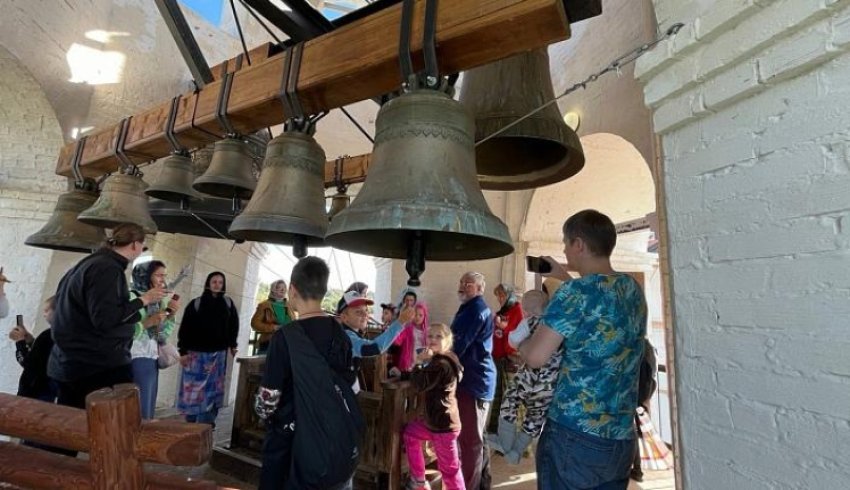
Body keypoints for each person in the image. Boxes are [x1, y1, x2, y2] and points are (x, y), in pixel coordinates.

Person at [520, 209, 647, 490]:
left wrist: (524, 333)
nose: (565, 250)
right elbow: (597, 303)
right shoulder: (631, 288)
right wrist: (565, 277)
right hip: (620, 437)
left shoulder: (573, 294)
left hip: (574, 433)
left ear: (578, 244)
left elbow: (536, 356)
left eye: (566, 243)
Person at [255, 256, 357, 490]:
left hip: (290, 444)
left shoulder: (285, 336)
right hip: (332, 441)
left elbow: (267, 402)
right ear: (324, 290)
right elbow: (350, 385)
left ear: (292, 289)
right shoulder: (340, 334)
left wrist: (263, 413)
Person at [48, 223, 167, 411]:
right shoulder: (107, 269)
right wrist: (144, 300)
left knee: (73, 424)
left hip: (72, 362)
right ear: (135, 245)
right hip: (93, 368)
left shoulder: (90, 263)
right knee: (100, 427)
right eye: (142, 247)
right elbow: (106, 319)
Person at [488, 290, 561, 464]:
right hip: (548, 385)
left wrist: (519, 339)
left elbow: (513, 341)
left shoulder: (529, 322)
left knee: (510, 401)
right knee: (535, 418)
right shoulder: (557, 326)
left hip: (528, 378)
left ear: (526, 310)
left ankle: (505, 443)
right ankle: (517, 452)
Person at [403, 323, 465, 490]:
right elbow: (426, 377)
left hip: (443, 426)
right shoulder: (448, 357)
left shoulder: (441, 364)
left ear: (447, 340)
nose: (433, 340)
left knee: (450, 472)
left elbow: (419, 384)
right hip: (436, 421)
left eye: (438, 336)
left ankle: (419, 481)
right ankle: (419, 481)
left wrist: (418, 362)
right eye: (430, 336)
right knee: (410, 433)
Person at [451, 271, 496, 490]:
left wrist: (437, 355)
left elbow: (458, 345)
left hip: (475, 382)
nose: (462, 286)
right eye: (461, 282)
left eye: (468, 284)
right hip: (474, 380)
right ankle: (480, 484)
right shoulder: (471, 308)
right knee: (476, 438)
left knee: (471, 442)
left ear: (479, 289)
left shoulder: (476, 310)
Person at [177, 271, 239, 427]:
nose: (217, 285)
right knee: (193, 391)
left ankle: (207, 424)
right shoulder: (196, 303)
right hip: (196, 355)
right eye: (214, 281)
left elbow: (233, 326)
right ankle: (191, 423)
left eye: (220, 282)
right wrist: (182, 351)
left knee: (213, 391)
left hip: (218, 356)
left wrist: (233, 345)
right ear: (208, 283)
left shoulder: (228, 303)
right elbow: (185, 328)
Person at [129, 260, 181, 419]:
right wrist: (147, 323)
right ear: (145, 276)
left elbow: (163, 331)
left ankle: (143, 439)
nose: (163, 281)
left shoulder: (160, 300)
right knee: (136, 404)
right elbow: (122, 329)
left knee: (148, 404)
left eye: (164, 276)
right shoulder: (131, 297)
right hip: (134, 355)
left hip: (152, 356)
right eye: (158, 275)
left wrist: (170, 314)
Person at [337, 290, 413, 390]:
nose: (365, 314)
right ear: (344, 317)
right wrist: (400, 322)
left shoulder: (347, 333)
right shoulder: (347, 337)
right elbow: (375, 347)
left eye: (366, 310)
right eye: (358, 312)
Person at [487, 283, 523, 433]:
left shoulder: (517, 310)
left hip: (511, 361)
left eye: (503, 295)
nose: (500, 298)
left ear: (510, 296)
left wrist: (503, 327)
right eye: (498, 296)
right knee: (497, 397)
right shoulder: (501, 312)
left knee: (510, 400)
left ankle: (510, 436)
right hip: (497, 359)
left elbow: (518, 334)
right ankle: (495, 431)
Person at [10, 296, 58, 403]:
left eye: (46, 310)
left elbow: (28, 364)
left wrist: (20, 342)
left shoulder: (48, 335)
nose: (43, 314)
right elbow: (43, 355)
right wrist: (31, 341)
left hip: (34, 391)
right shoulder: (61, 335)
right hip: (49, 392)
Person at [251, 279, 294, 355]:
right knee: (265, 366)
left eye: (284, 287)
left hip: (286, 344)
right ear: (273, 289)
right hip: (268, 344)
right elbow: (254, 323)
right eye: (279, 287)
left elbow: (293, 322)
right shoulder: (264, 305)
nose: (283, 289)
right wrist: (273, 327)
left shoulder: (289, 305)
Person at [391, 302, 430, 376]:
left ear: (425, 317)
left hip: (422, 362)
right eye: (415, 315)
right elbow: (397, 341)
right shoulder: (407, 329)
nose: (417, 317)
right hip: (408, 362)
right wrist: (400, 323)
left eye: (420, 315)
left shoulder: (428, 332)